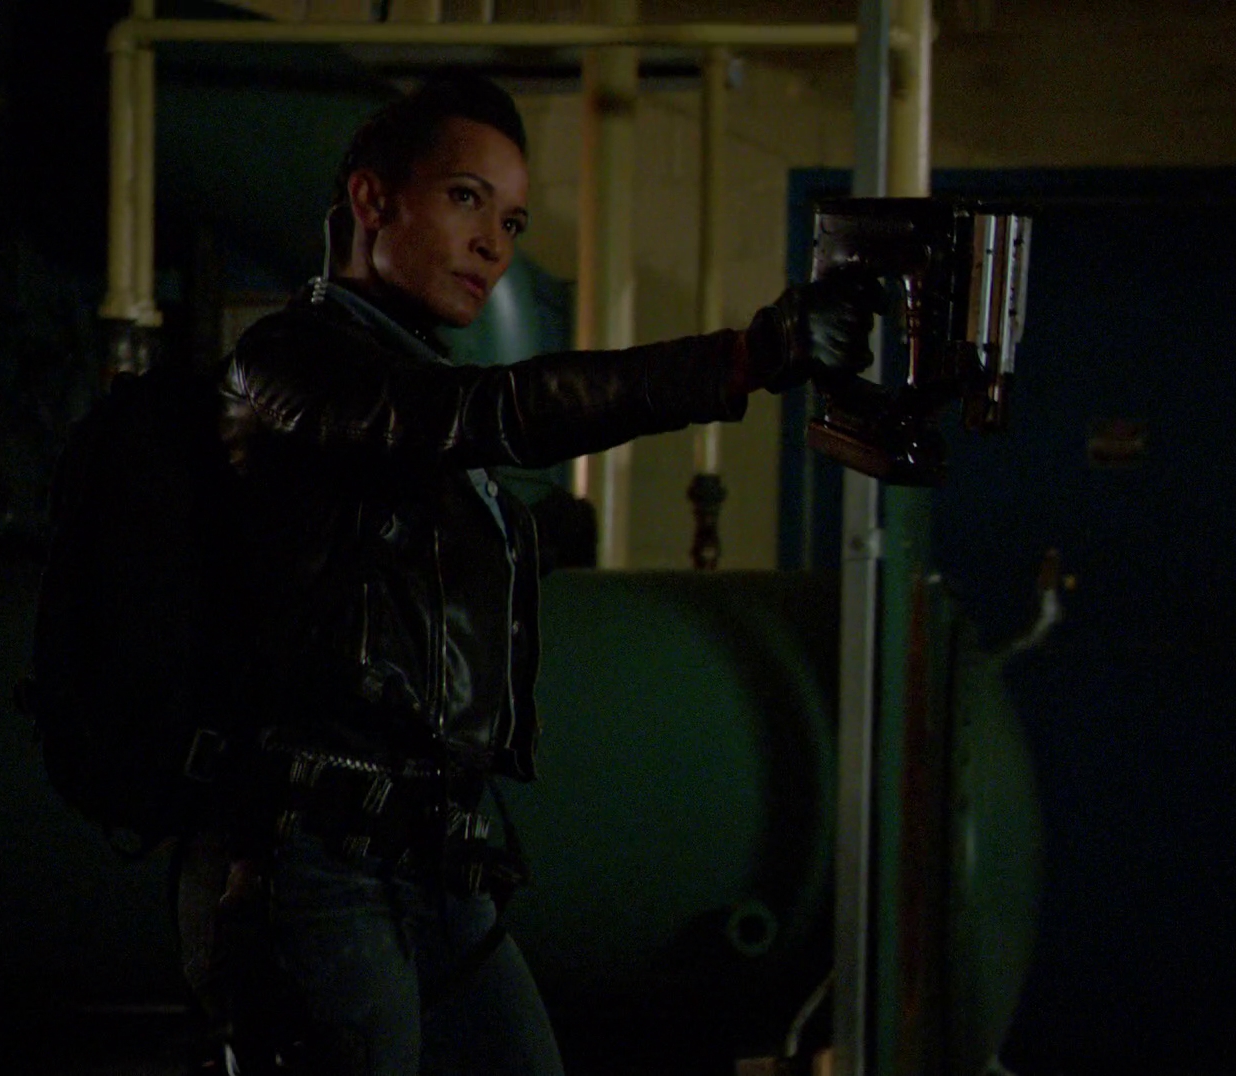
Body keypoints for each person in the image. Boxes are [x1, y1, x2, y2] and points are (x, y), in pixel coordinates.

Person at [173, 72, 879, 1076]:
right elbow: (475, 412)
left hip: (434, 859)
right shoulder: (288, 361)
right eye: (466, 199)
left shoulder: (403, 392)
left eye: (510, 222)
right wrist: (741, 359)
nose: (492, 246)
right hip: (312, 860)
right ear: (372, 199)